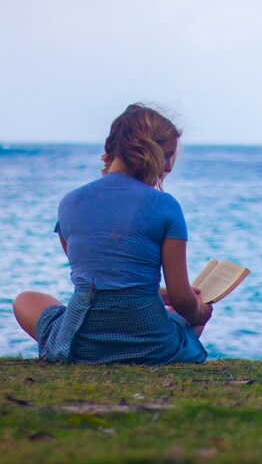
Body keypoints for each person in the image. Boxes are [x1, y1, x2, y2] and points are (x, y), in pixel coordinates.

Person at [12, 103, 213, 364]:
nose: (169, 167)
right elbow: (181, 299)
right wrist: (201, 313)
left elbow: (96, 277)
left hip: (81, 343)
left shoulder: (69, 202)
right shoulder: (166, 206)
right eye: (166, 155)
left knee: (25, 300)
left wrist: (160, 295)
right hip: (152, 346)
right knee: (185, 315)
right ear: (147, 150)